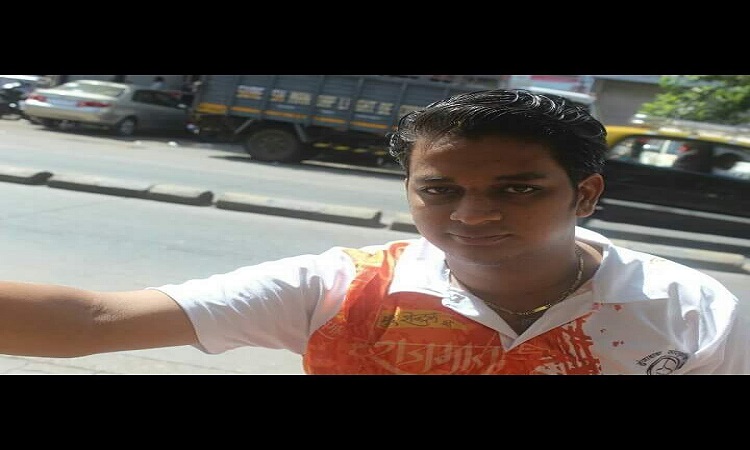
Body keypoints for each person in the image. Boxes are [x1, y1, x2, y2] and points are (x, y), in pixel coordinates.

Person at [1, 89, 748, 375]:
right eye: (440, 190)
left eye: (517, 189)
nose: (472, 215)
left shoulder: (689, 310)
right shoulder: (342, 290)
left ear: (584, 193)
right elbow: (94, 320)